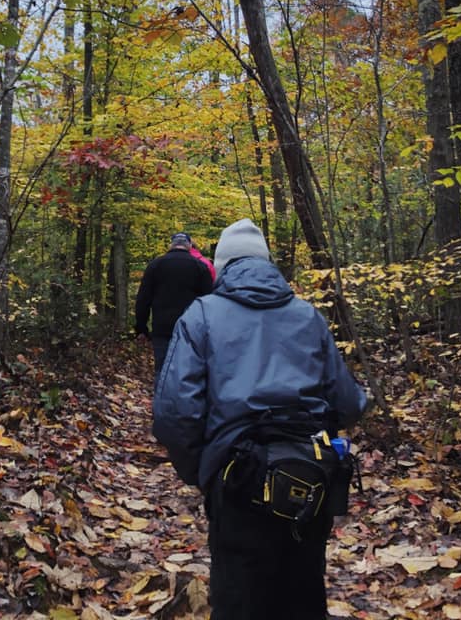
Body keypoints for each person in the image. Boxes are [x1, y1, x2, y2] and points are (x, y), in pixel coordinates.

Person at [152, 218, 367, 620]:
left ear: (222, 265)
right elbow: (350, 403)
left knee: (238, 598)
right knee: (303, 595)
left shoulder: (201, 315)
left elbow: (174, 412)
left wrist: (203, 470)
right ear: (268, 263)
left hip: (237, 477)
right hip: (308, 477)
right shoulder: (308, 316)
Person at [134, 232, 213, 376]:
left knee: (162, 370)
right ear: (189, 245)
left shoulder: (155, 265)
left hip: (162, 327)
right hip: (192, 328)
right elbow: (209, 300)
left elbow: (143, 299)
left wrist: (141, 328)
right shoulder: (200, 267)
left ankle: (162, 396)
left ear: (171, 245)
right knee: (188, 372)